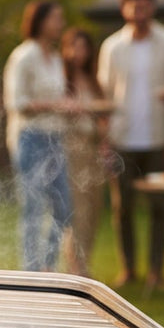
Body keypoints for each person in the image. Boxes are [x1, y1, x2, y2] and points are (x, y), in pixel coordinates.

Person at [97, 0, 164, 288]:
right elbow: (104, 96)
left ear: (153, 6)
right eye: (134, 5)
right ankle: (128, 268)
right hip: (122, 139)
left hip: (160, 137)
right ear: (124, 9)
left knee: (159, 207)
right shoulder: (112, 46)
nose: (139, 10)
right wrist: (104, 139)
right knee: (122, 207)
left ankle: (156, 270)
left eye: (145, 4)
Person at [3, 0, 77, 272]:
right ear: (41, 21)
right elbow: (16, 102)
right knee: (33, 207)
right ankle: (32, 271)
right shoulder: (23, 56)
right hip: (30, 138)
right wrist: (55, 105)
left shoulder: (56, 58)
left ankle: (48, 266)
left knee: (63, 207)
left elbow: (58, 97)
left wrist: (69, 107)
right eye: (56, 18)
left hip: (54, 138)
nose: (61, 23)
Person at [60, 27, 112, 277]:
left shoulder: (93, 82)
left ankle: (84, 264)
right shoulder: (61, 82)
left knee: (94, 209)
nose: (78, 52)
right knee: (78, 211)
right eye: (74, 46)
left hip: (93, 150)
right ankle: (76, 269)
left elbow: (102, 117)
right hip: (72, 151)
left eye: (83, 47)